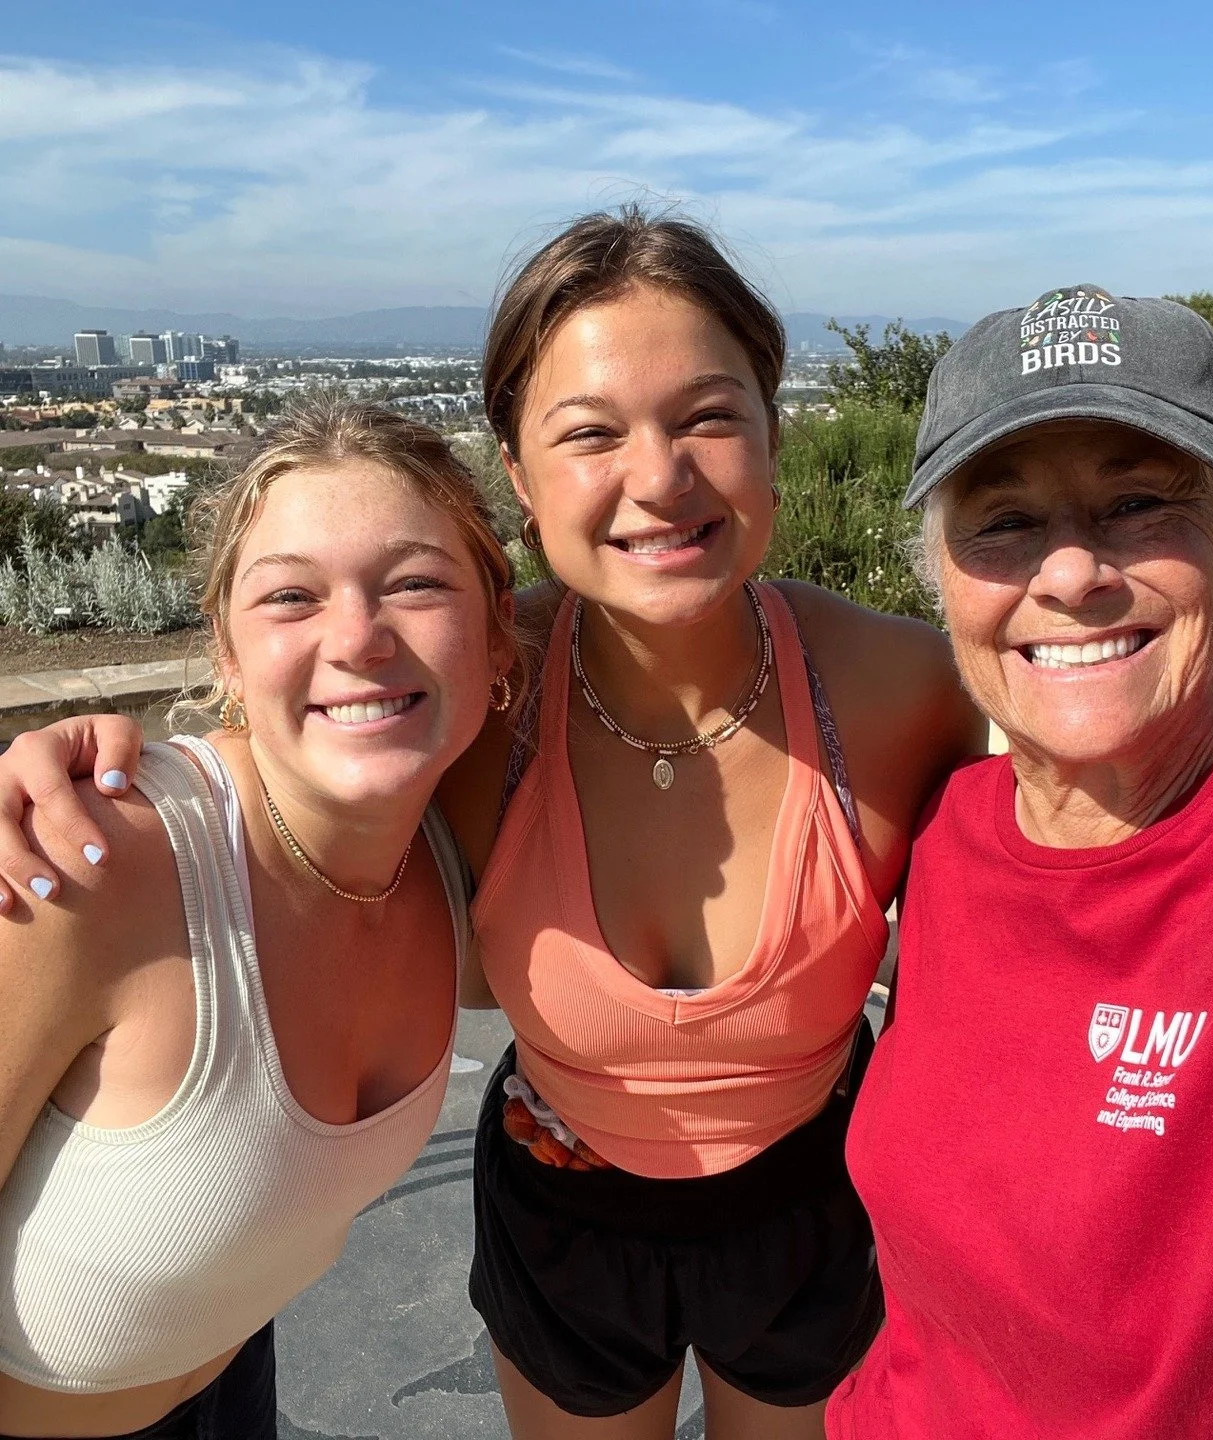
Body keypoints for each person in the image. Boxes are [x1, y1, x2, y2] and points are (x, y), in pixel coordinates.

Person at [0, 210, 987, 1438]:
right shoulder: (472, 687)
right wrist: (88, 763)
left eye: (709, 417)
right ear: (519, 475)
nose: (659, 478)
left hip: (812, 1205)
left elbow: (1075, 860)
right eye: (589, 434)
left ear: (774, 435)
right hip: (564, 1218)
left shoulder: (905, 690)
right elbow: (283, 755)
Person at [826, 285, 1213, 1438]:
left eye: (1139, 503)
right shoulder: (945, 835)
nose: (1069, 574)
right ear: (944, 582)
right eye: (1001, 521)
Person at [0, 398, 516, 1438]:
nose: (360, 638)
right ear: (227, 654)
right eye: (291, 597)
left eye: (415, 584)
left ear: (501, 638)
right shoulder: (89, 865)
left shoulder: (457, 851)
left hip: (237, 1385)